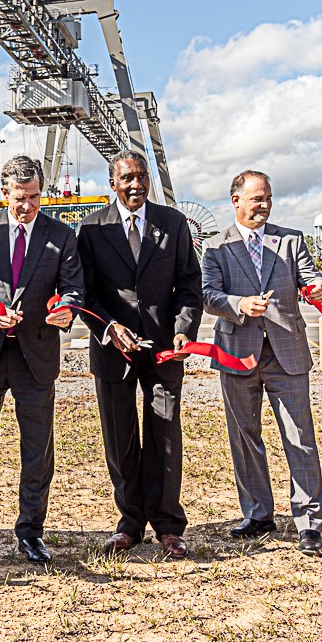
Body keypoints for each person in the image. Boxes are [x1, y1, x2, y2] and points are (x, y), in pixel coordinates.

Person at [76, 149, 203, 559]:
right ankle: (129, 523)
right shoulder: (91, 229)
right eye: (127, 178)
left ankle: (168, 524)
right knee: (120, 438)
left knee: (165, 434)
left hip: (165, 350)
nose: (135, 185)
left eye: (141, 177)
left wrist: (183, 333)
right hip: (114, 351)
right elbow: (87, 293)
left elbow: (188, 285)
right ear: (112, 183)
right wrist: (109, 329)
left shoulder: (173, 223)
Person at [0, 156, 84, 563]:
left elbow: (73, 289)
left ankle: (31, 528)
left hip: (36, 355)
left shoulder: (61, 236)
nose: (27, 205)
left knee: (37, 447)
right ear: (3, 193)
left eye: (34, 197)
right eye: (19, 197)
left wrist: (67, 308)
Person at [201, 170, 322, 556]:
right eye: (257, 199)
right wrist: (238, 305)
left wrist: (318, 287)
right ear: (236, 201)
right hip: (236, 353)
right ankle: (258, 514)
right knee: (245, 438)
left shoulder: (290, 241)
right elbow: (207, 295)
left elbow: (309, 279)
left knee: (300, 439)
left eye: (268, 198)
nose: (264, 205)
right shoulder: (214, 246)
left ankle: (309, 523)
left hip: (286, 354)